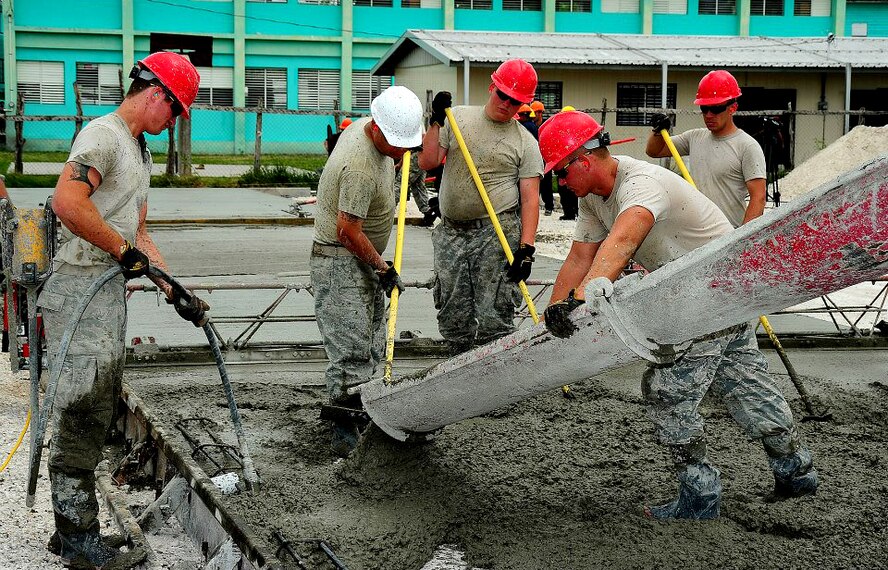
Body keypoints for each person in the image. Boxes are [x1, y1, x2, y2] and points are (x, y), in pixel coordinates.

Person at [539, 111, 818, 521]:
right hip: (719, 293)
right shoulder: (593, 199)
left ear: (583, 160)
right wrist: (552, 314)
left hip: (710, 291)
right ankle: (796, 472)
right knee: (745, 384)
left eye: (561, 172)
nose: (561, 183)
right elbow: (581, 255)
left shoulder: (639, 183)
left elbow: (626, 235)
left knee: (666, 391)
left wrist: (583, 298)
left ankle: (699, 496)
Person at [39, 51, 209, 569]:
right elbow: (67, 203)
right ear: (156, 94)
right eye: (175, 111)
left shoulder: (139, 152)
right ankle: (76, 539)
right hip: (79, 289)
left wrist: (174, 288)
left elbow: (137, 236)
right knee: (82, 409)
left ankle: (71, 526)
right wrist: (120, 250)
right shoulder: (103, 136)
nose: (174, 122)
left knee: (97, 404)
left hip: (105, 292)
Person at [310, 85, 423, 455]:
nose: (404, 153)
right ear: (377, 129)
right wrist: (382, 267)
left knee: (372, 341)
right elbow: (347, 231)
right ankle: (346, 435)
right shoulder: (359, 164)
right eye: (399, 146)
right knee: (351, 350)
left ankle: (366, 414)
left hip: (362, 258)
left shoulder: (371, 129)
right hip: (342, 260)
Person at [418, 59, 543, 355]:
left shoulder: (525, 143)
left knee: (494, 314)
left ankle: (495, 379)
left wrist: (526, 249)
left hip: (495, 233)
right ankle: (457, 373)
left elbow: (529, 199)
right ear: (492, 87)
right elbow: (428, 161)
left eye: (516, 102)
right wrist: (436, 120)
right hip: (450, 233)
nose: (507, 104)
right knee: (452, 313)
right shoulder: (457, 118)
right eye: (503, 96)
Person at [645, 69, 767, 228]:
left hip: (729, 232)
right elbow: (654, 151)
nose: (709, 115)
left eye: (716, 109)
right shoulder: (694, 137)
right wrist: (658, 131)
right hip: (699, 233)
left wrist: (742, 239)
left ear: (733, 107)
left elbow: (759, 198)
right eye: (704, 109)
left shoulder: (747, 146)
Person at [394, 151, 438, 227]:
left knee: (401, 183)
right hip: (424, 155)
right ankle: (427, 211)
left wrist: (401, 162)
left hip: (414, 155)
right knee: (418, 186)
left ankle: (389, 208)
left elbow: (407, 146)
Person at [530, 101, 555, 216]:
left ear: (540, 113)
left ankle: (549, 206)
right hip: (533, 158)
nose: (533, 115)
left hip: (545, 158)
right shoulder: (530, 126)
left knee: (546, 183)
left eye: (535, 112)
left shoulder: (546, 125)